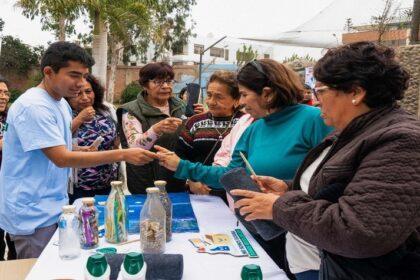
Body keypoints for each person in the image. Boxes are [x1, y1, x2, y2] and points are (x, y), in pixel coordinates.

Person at [231, 42, 420, 279]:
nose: (316, 99)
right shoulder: (351, 131)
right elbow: (346, 187)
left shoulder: (400, 141)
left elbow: (360, 230)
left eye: (320, 91)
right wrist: (288, 188)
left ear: (355, 92)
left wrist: (279, 208)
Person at [157, 59, 333, 277]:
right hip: (265, 232)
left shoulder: (313, 120)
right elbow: (229, 173)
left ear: (267, 93)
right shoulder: (254, 128)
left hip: (308, 240)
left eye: (243, 94)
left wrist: (287, 189)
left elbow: (331, 179)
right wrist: (183, 166)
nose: (240, 103)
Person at [0, 42, 158, 259]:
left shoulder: (59, 103)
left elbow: (55, 145)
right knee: (39, 271)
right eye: (74, 75)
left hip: (54, 205)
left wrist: (79, 149)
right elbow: (62, 158)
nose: (80, 83)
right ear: (48, 72)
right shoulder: (34, 106)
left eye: (84, 75)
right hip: (33, 212)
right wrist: (123, 154)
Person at [175, 71, 243, 198]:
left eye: (219, 97)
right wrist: (191, 181)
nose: (211, 101)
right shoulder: (194, 122)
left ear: (237, 99)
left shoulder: (246, 123)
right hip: (200, 195)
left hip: (236, 195)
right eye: (209, 95)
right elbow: (180, 156)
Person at [66, 74, 119, 203]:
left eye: (88, 91)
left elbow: (117, 137)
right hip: (79, 186)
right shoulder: (64, 113)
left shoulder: (107, 110)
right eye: (78, 94)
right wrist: (79, 119)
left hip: (108, 182)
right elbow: (60, 140)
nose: (85, 97)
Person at [0, 76, 16, 261]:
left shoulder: (11, 117)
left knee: (14, 236)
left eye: (5, 93)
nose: (3, 97)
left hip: (11, 185)